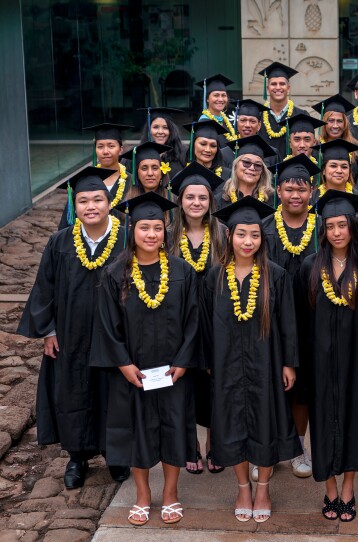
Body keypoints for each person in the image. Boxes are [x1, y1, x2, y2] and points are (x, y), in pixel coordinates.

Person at [90, 192, 198, 526]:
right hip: (132, 372)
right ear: (132, 231)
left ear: (165, 230)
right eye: (144, 228)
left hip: (172, 372)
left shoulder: (182, 272)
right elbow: (107, 325)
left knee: (173, 429)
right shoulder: (114, 274)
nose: (151, 234)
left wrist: (183, 361)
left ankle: (170, 494)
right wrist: (123, 364)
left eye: (157, 228)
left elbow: (194, 320)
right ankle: (141, 495)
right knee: (135, 432)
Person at [18, 167, 130, 489]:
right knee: (73, 391)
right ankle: (77, 457)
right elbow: (44, 289)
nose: (91, 206)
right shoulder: (60, 242)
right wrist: (48, 331)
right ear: (74, 205)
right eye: (83, 201)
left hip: (114, 337)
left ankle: (115, 454)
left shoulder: (126, 237)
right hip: (70, 336)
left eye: (97, 199)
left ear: (109, 202)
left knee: (113, 393)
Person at [203, 196, 300, 524]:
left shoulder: (275, 275)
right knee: (232, 427)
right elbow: (204, 324)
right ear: (229, 236)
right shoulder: (213, 277)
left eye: (255, 235)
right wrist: (208, 363)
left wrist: (288, 363)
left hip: (266, 365)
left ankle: (263, 488)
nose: (248, 241)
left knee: (265, 424)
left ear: (262, 238)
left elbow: (288, 324)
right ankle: (243, 486)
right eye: (241, 234)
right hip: (226, 366)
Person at [296, 190, 358, 522]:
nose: (336, 232)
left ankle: (348, 490)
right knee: (322, 425)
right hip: (319, 364)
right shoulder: (309, 265)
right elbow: (301, 315)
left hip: (357, 363)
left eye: (342, 225)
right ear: (324, 229)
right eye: (330, 225)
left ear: (352, 227)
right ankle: (330, 490)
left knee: (354, 424)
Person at [263, 154, 322, 479]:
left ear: (311, 192)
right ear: (279, 191)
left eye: (301, 189)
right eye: (289, 188)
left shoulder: (324, 227)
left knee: (302, 390)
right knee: (271, 386)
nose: (295, 195)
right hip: (269, 322)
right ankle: (269, 450)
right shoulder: (264, 229)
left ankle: (299, 447)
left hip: (312, 322)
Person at [167, 163, 227, 476]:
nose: (196, 203)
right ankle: (188, 445)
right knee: (183, 386)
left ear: (210, 202)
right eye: (190, 197)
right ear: (180, 201)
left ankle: (214, 445)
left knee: (214, 386)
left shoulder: (222, 234)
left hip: (214, 321)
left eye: (202, 198)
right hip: (177, 322)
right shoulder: (167, 236)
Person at [59, 123, 133, 230]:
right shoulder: (84, 180)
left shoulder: (131, 182)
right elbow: (67, 223)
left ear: (121, 149)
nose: (105, 151)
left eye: (111, 146)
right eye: (100, 146)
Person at [258, 61, 309, 160]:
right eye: (274, 84)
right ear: (268, 89)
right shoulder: (259, 115)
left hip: (292, 170)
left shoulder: (301, 115)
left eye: (282, 84)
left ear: (288, 88)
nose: (278, 87)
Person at [215, 135, 278, 210]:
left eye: (258, 165)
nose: (252, 168)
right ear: (236, 165)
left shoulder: (272, 200)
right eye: (246, 162)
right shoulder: (220, 199)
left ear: (262, 171)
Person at [313, 94, 358, 177]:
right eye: (331, 121)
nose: (335, 125)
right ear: (324, 122)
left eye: (339, 121)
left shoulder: (356, 148)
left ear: (345, 124)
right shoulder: (315, 147)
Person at [137, 106, 187, 179]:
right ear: (149, 130)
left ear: (171, 131)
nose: (160, 132)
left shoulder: (183, 154)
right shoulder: (137, 154)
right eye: (156, 127)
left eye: (165, 127)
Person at [197, 73, 237, 143]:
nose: (221, 99)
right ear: (207, 99)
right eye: (216, 95)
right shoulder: (204, 123)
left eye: (223, 95)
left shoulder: (226, 121)